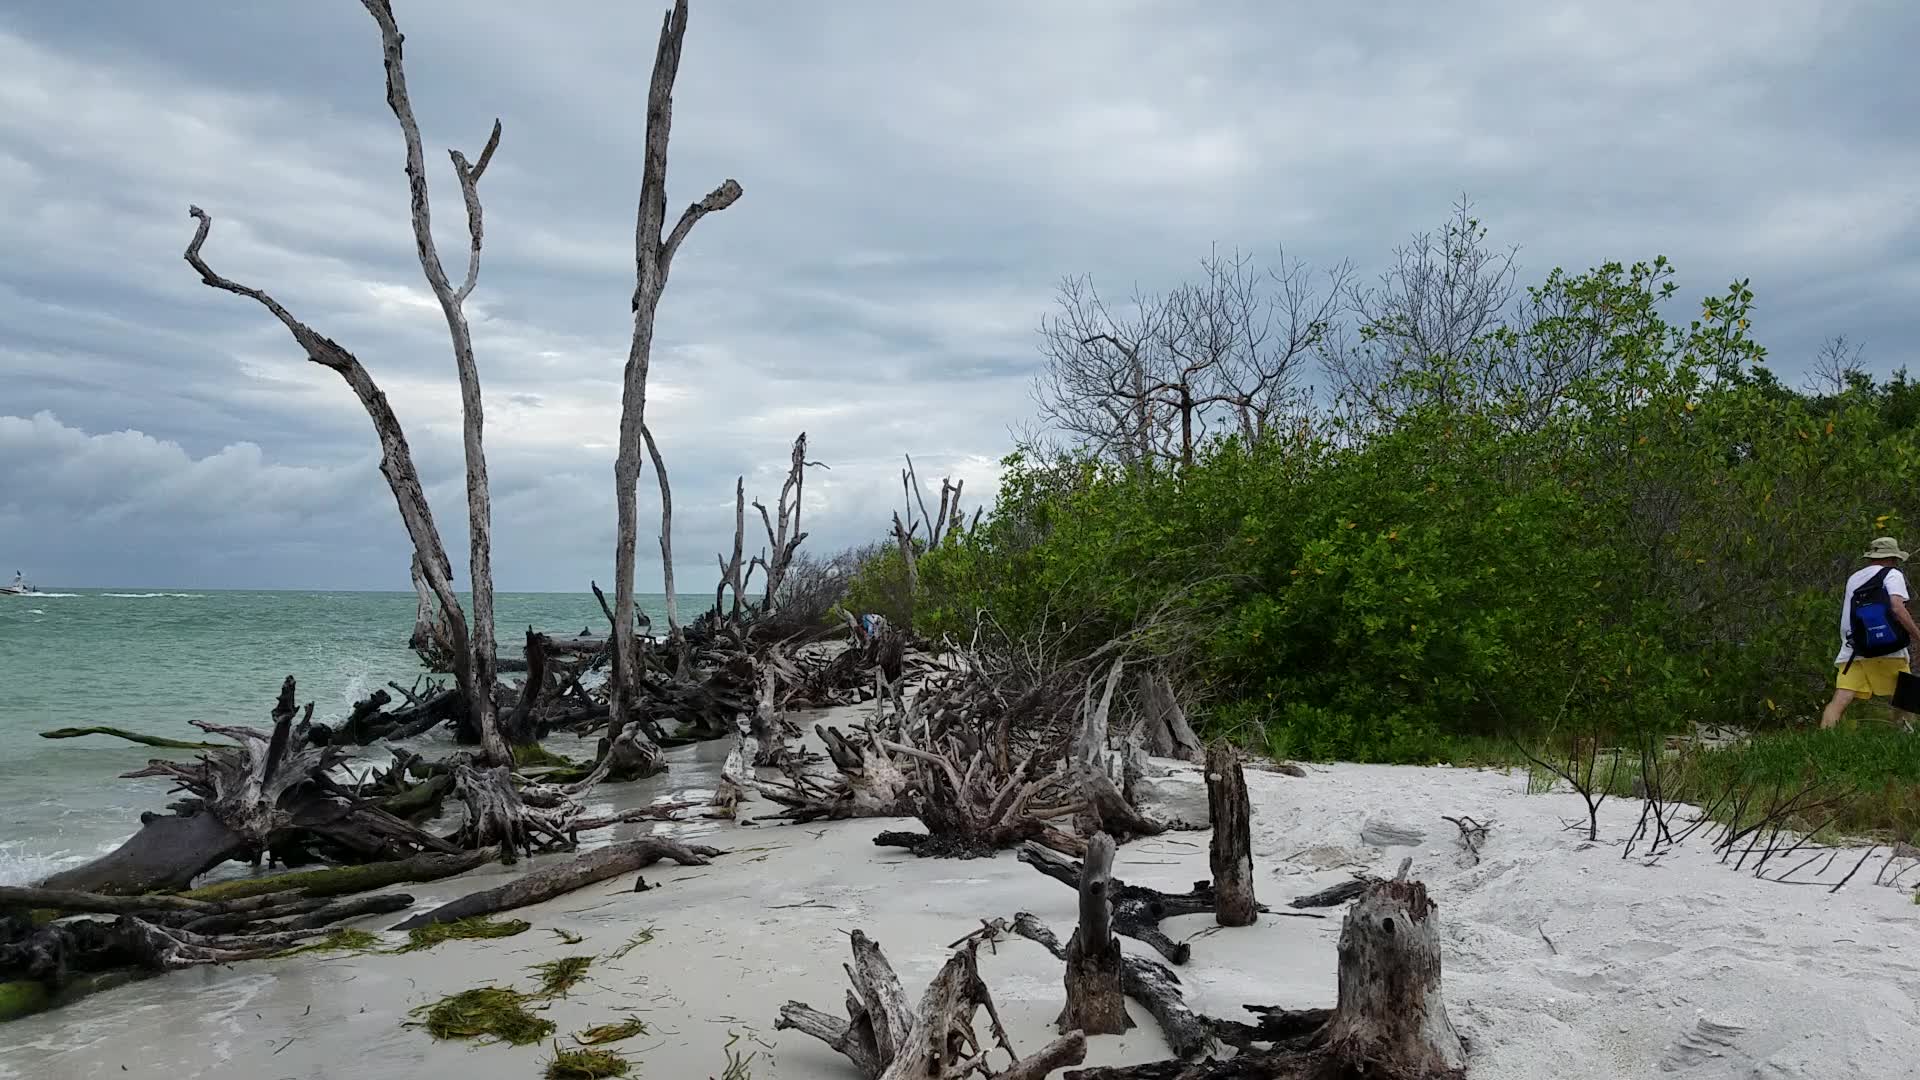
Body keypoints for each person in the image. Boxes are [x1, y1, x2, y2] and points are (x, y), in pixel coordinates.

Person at [1821, 536, 1920, 729]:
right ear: (1893, 558)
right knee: (1905, 696)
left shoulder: (1854, 578)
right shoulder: (1892, 574)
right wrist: (1917, 635)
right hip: (1887, 648)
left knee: (1841, 698)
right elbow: (1897, 607)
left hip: (1855, 648)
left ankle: (1823, 737)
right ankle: (1906, 736)